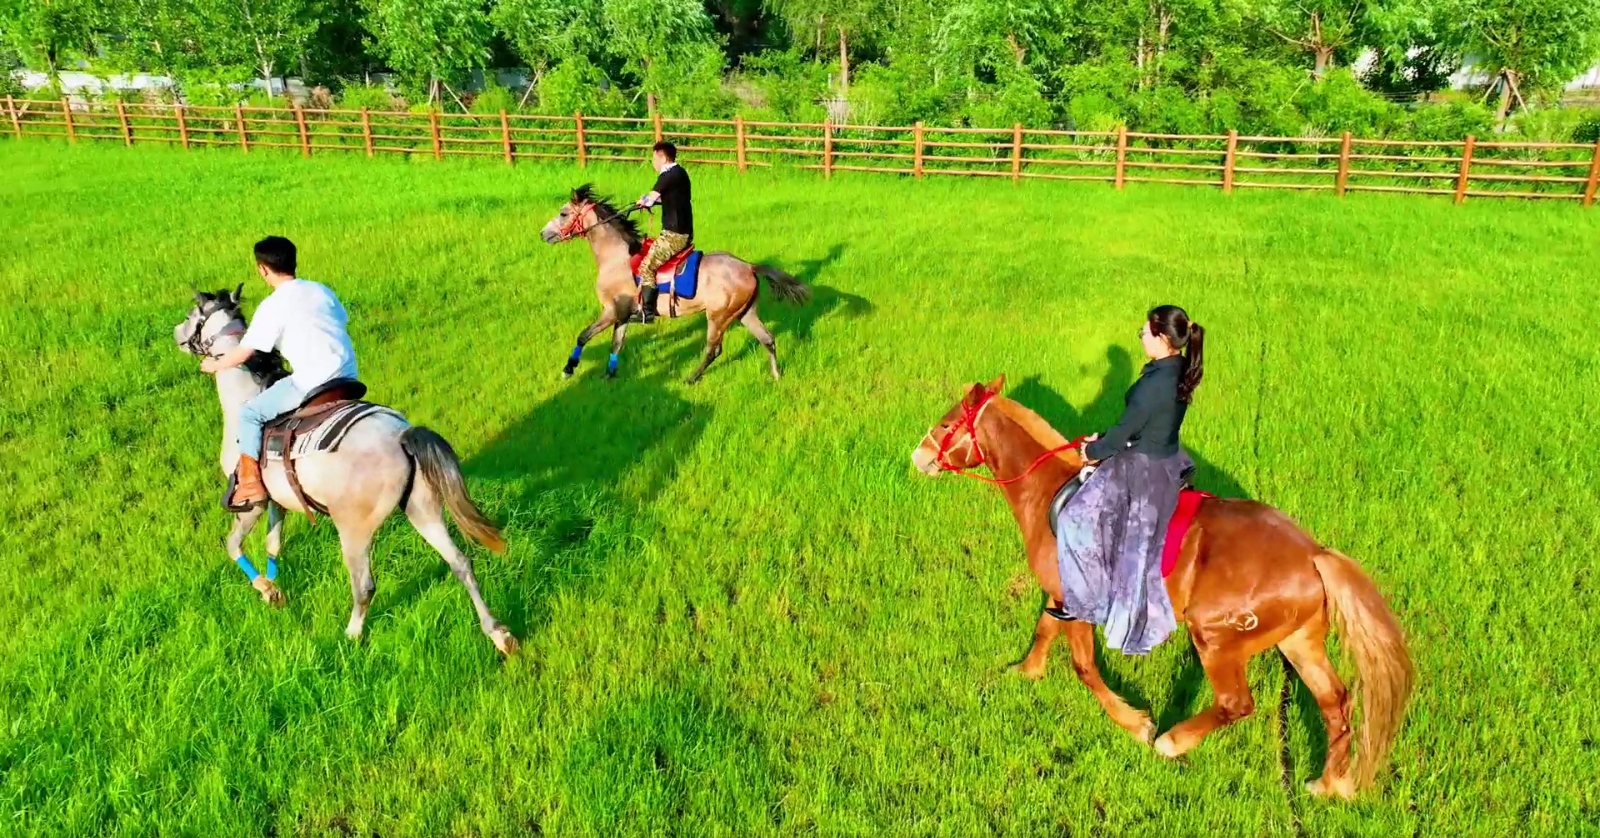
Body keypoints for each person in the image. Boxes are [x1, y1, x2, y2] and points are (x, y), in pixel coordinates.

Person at [1054, 305, 1205, 655]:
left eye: (1145, 332)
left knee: (1073, 518)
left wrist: (1093, 451)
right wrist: (1109, 439)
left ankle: (1087, 604)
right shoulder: (1179, 367)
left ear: (1163, 338)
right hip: (1164, 456)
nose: (1141, 336)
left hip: (1142, 468)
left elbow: (1125, 432)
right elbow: (1140, 426)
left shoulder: (1154, 384)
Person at [200, 236, 359, 510]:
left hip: (312, 382)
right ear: (293, 262)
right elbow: (339, 321)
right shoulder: (321, 290)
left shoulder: (273, 305)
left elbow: (244, 353)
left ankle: (250, 484)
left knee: (250, 414)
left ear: (262, 269)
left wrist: (214, 365)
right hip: (348, 375)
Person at [633, 141, 693, 324]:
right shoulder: (680, 173)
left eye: (654, 158)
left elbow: (651, 199)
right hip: (682, 231)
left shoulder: (667, 175)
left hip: (674, 235)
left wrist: (643, 201)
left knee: (646, 266)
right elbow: (669, 199)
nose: (653, 162)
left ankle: (647, 313)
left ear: (662, 157)